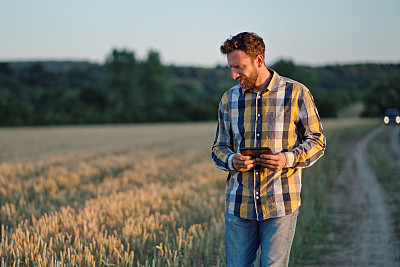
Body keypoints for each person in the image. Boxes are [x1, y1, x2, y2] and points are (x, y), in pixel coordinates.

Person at [211, 32, 326, 267]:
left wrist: (288, 158)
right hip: (239, 205)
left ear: (259, 60)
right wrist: (233, 160)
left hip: (280, 203)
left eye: (239, 67)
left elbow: (317, 140)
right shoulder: (228, 99)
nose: (234, 74)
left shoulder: (297, 93)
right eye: (230, 67)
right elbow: (218, 148)